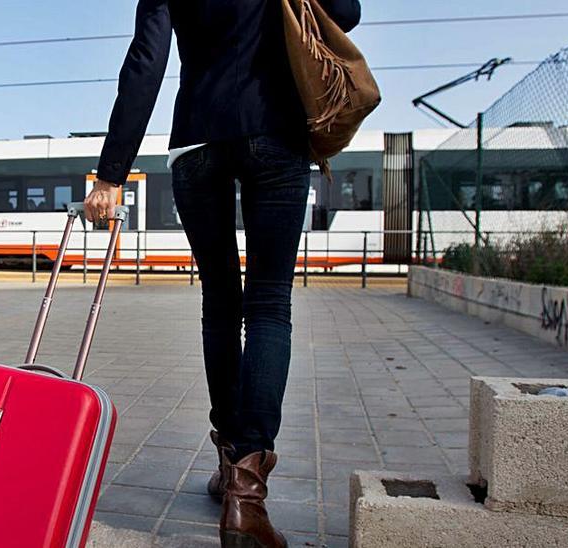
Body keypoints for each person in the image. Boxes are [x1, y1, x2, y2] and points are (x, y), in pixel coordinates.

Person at [82, 1, 362, 546]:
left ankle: (230, 464)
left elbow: (146, 61)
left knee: (220, 305)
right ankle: (246, 494)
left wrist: (112, 173)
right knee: (267, 306)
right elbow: (345, 12)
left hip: (197, 141)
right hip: (274, 131)